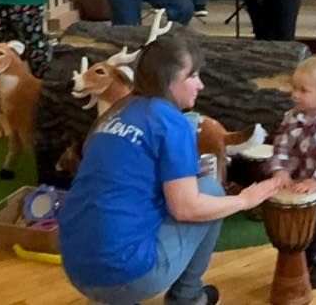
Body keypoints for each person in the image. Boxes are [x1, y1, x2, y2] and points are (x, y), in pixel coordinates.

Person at [59, 34, 282, 305]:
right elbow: (186, 208)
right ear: (170, 80)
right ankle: (187, 297)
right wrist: (244, 200)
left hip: (74, 266)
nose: (200, 84)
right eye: (193, 75)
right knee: (211, 189)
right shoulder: (171, 122)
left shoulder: (115, 114)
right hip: (123, 277)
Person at [269, 53, 316, 289]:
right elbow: (281, 144)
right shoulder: (291, 117)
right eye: (294, 88)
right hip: (300, 184)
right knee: (306, 229)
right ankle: (308, 259)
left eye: (303, 90)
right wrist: (280, 170)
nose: (295, 95)